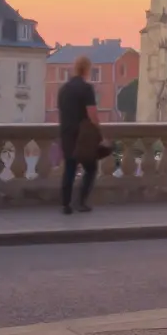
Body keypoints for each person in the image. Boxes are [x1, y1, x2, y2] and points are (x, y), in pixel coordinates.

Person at [58, 55, 101, 215]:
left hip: (66, 133)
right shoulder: (86, 88)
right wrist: (99, 132)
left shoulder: (64, 89)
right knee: (90, 167)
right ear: (87, 69)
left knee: (69, 168)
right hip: (82, 135)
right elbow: (92, 114)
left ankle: (65, 204)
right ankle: (80, 201)